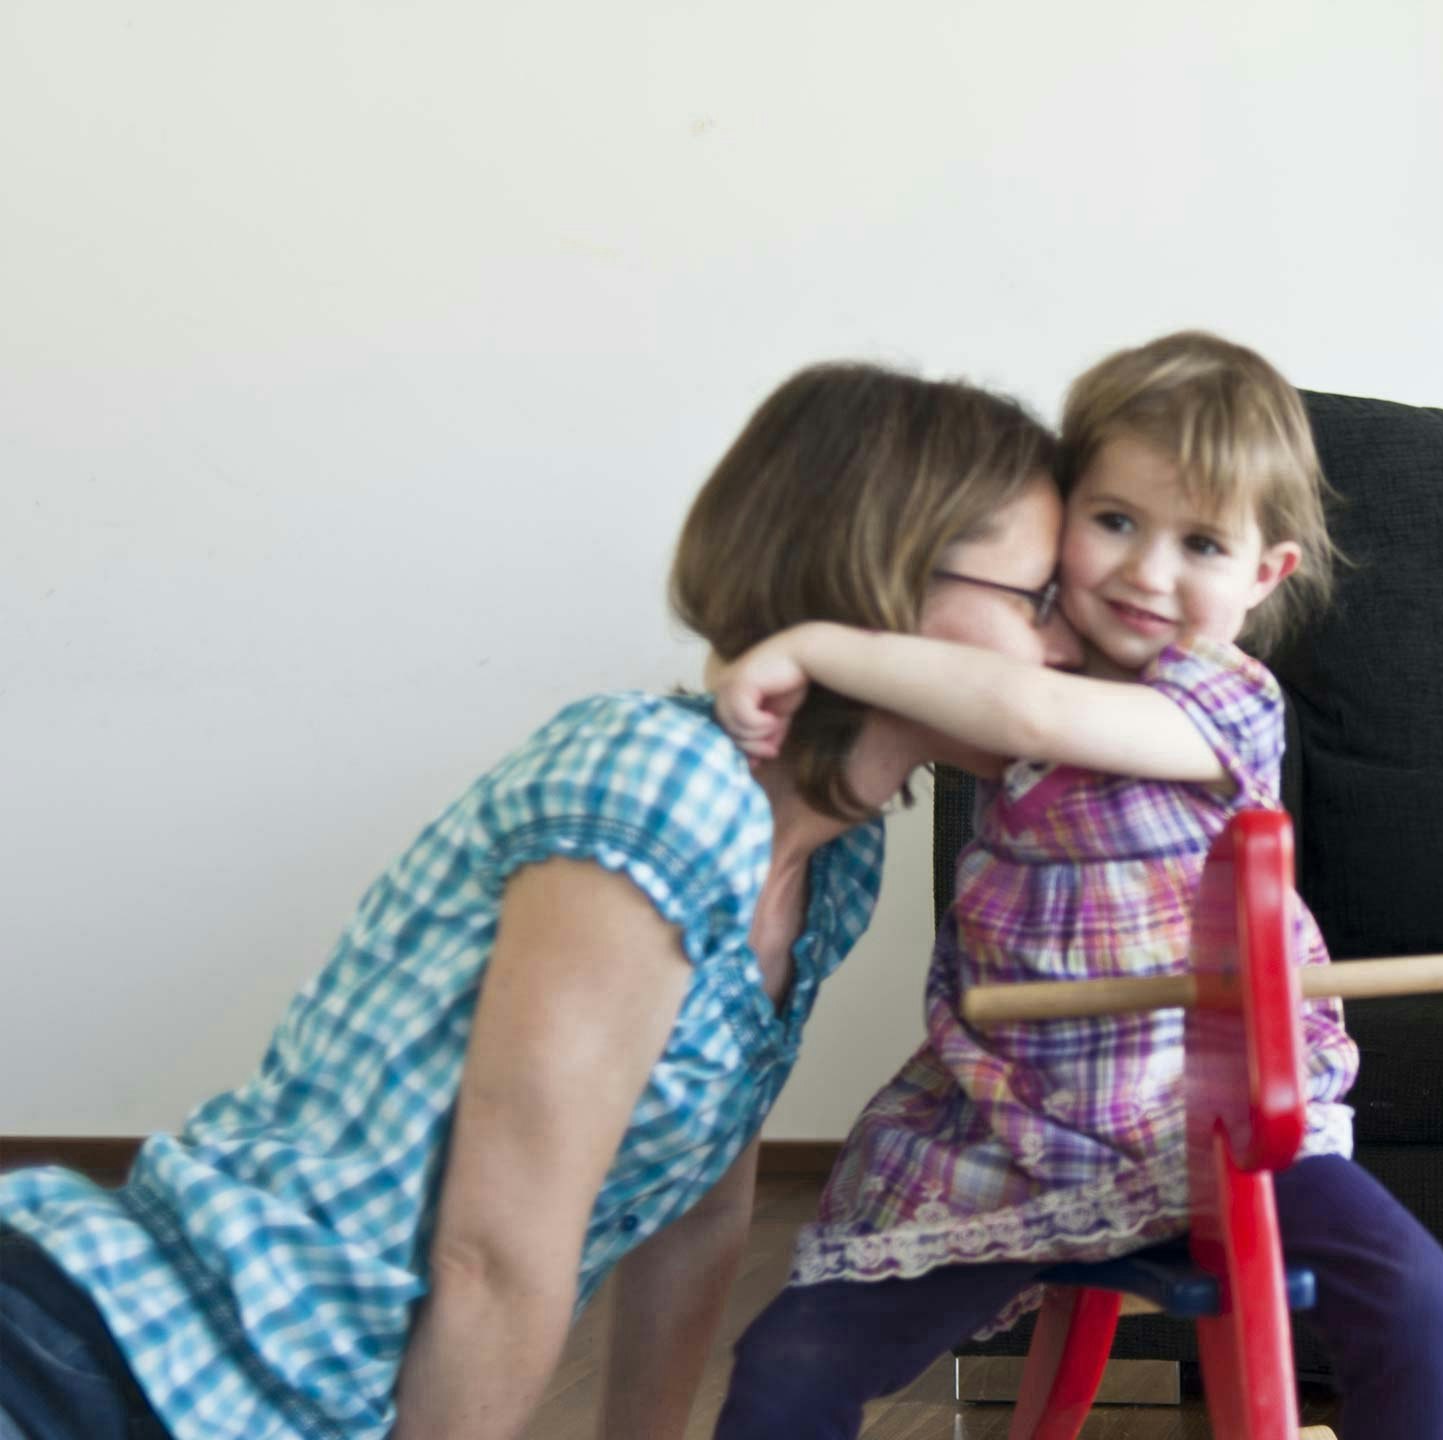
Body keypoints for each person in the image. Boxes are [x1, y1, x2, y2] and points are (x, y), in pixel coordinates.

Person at [0, 362, 1082, 1440]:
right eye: (1040, 601)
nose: (1070, 649)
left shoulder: (838, 863)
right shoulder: (663, 781)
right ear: (883, 579)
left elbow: (698, 1208)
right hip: (109, 1364)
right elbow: (493, 1256)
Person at [703, 331, 1443, 1440]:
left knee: (1416, 1300)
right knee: (790, 1358)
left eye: (1200, 542)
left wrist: (813, 644)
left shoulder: (1225, 701)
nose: (1144, 573)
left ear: (1265, 576)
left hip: (1206, 1121)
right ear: (1060, 517)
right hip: (1008, 1129)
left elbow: (1030, 722)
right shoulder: (1016, 655)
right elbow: (977, 691)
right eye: (1114, 520)